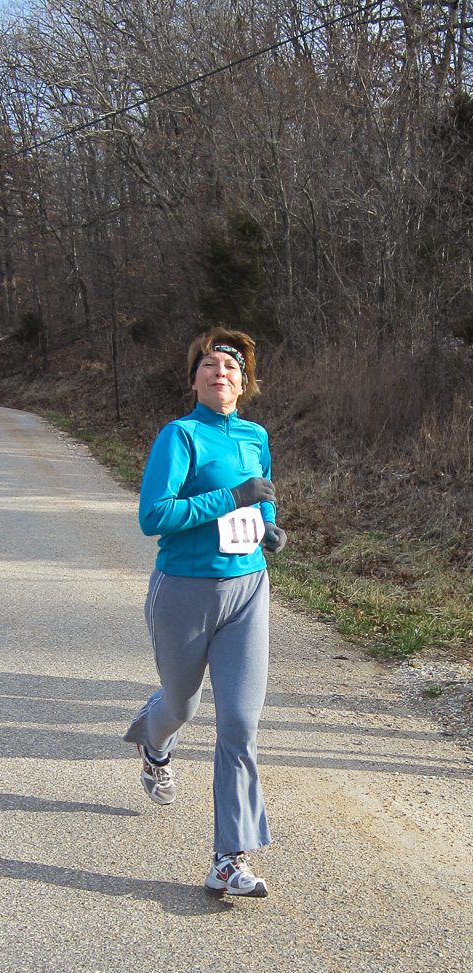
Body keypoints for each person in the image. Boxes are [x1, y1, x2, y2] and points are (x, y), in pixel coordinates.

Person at [124, 327, 287, 897]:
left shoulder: (255, 436)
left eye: (232, 368)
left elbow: (262, 495)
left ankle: (229, 858)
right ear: (194, 379)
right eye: (210, 365)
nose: (222, 373)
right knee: (182, 703)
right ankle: (154, 743)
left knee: (240, 724)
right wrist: (232, 499)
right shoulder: (180, 436)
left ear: (244, 384)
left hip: (248, 590)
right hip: (184, 590)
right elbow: (154, 516)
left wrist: (268, 528)